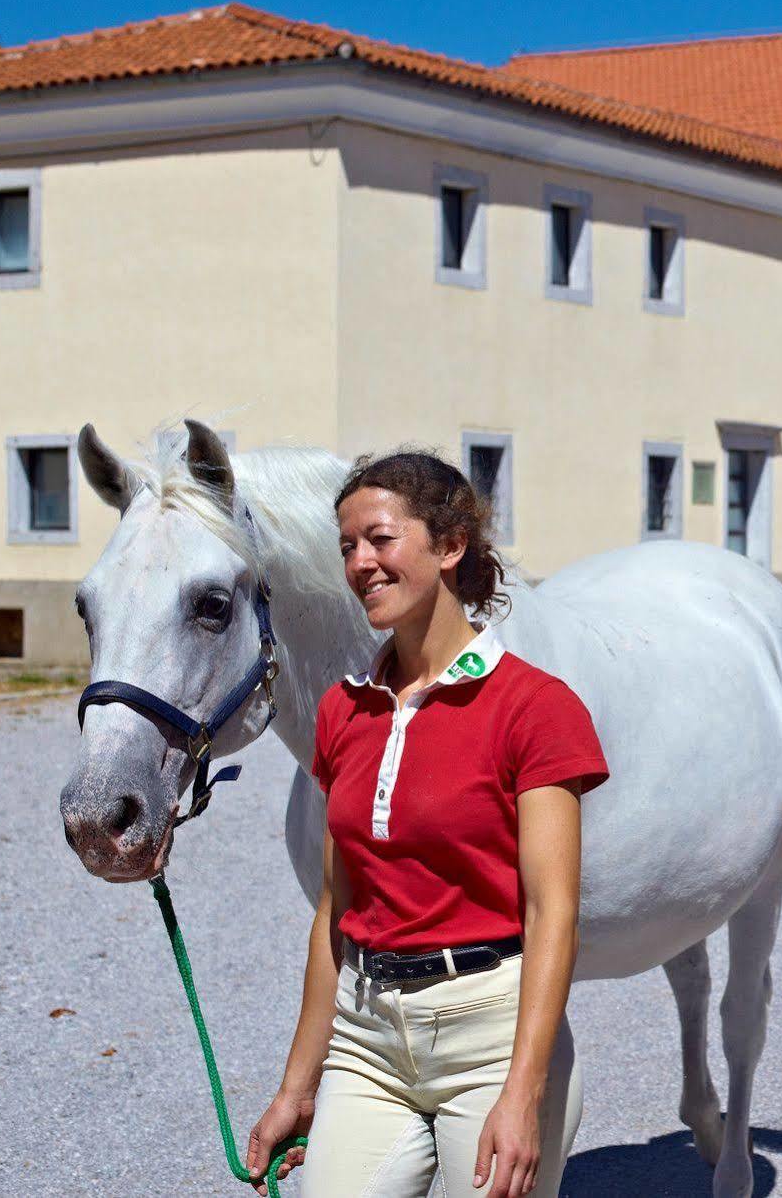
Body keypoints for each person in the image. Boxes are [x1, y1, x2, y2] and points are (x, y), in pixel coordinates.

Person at [246, 451, 609, 1197]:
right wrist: (296, 1087)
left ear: (449, 546)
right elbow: (334, 914)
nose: (360, 564)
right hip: (367, 1038)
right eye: (347, 547)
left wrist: (523, 1092)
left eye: (379, 539)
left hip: (491, 1035)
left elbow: (553, 912)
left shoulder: (534, 707)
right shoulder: (343, 711)